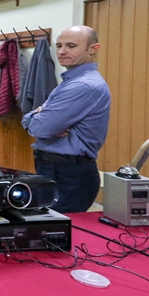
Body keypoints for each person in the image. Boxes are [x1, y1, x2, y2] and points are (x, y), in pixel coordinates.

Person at [21, 25, 110, 213]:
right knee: (48, 223)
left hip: (68, 174)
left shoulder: (83, 85)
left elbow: (40, 128)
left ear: (93, 49)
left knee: (59, 226)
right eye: (59, 45)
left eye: (71, 46)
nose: (61, 52)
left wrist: (39, 117)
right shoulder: (70, 81)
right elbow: (39, 122)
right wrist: (38, 116)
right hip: (56, 168)